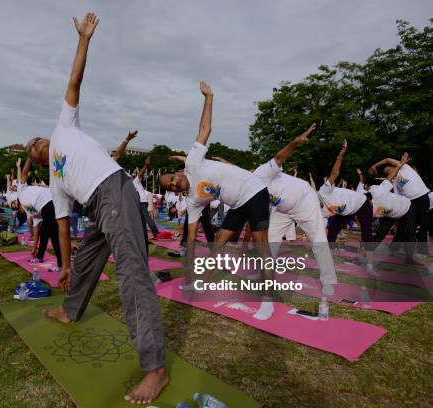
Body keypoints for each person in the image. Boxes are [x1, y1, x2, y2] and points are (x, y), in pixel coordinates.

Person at [25, 13, 167, 404]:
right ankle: (71, 310)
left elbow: (74, 82)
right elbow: (63, 225)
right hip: (95, 207)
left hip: (114, 190)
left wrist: (84, 39)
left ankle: (155, 369)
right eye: (31, 146)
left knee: (132, 275)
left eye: (36, 139)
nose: (35, 143)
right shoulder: (55, 181)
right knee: (87, 260)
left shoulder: (63, 129)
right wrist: (66, 265)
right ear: (35, 160)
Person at [160, 81, 275, 320]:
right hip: (238, 204)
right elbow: (191, 237)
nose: (172, 183)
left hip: (254, 191)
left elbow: (205, 130)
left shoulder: (192, 162)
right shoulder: (192, 202)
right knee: (219, 241)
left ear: (178, 172)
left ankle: (268, 298)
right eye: (170, 186)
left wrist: (209, 98)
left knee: (259, 242)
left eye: (171, 178)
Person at [252, 123, 337, 295]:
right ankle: (266, 274)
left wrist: (296, 142)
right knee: (270, 241)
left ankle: (328, 280)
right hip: (282, 209)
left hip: (305, 201)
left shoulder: (260, 174)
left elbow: (278, 158)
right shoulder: (246, 193)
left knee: (318, 239)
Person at [316, 140, 376, 274]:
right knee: (331, 234)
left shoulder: (323, 191)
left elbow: (334, 174)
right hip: (345, 212)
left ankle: (370, 266)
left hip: (361, 204)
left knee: (367, 234)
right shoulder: (320, 212)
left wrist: (340, 155)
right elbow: (324, 232)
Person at [370, 156, 430, 256]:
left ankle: (421, 250)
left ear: (394, 167)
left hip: (421, 198)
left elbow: (388, 159)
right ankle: (396, 248)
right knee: (407, 227)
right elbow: (396, 198)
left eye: (389, 169)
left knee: (423, 225)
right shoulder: (395, 184)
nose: (389, 172)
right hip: (408, 204)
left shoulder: (405, 168)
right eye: (387, 172)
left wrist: (374, 166)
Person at [15, 158, 62, 270]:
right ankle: (39, 256)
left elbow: (24, 173)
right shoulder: (30, 211)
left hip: (50, 203)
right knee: (44, 234)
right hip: (47, 207)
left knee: (54, 236)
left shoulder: (21, 192)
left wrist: (29, 159)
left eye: (19, 210)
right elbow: (36, 229)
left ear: (18, 204)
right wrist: (34, 247)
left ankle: (61, 264)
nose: (22, 211)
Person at [134, 156, 160, 239]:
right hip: (141, 202)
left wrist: (145, 165)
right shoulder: (132, 183)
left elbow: (140, 173)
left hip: (142, 202)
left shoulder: (134, 181)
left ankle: (156, 233)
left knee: (147, 218)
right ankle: (145, 234)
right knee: (143, 219)